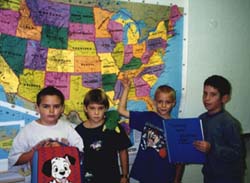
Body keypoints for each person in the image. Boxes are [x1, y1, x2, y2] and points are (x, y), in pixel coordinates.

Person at [8, 86, 84, 182]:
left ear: (62, 108)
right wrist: (37, 152)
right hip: (37, 179)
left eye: (56, 106)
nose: (51, 111)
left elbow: (80, 153)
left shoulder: (68, 129)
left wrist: (61, 148)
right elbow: (14, 160)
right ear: (37, 107)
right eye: (46, 106)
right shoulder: (27, 131)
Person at [118, 76, 184, 183]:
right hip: (145, 172)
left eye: (167, 102)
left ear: (173, 103)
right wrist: (126, 88)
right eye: (160, 101)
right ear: (154, 102)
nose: (163, 105)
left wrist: (176, 180)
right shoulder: (148, 117)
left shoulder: (177, 127)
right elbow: (121, 111)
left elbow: (180, 159)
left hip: (165, 175)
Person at [193, 75, 245, 183]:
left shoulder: (229, 123)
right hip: (209, 174)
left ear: (224, 98)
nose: (207, 98)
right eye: (205, 93)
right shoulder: (201, 119)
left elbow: (237, 153)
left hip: (228, 177)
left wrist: (212, 148)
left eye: (213, 95)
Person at [75, 88, 132, 183]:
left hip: (112, 178)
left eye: (100, 108)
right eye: (92, 108)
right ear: (85, 108)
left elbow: (123, 151)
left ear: (106, 108)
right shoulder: (79, 131)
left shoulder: (113, 127)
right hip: (88, 179)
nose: (96, 113)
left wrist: (125, 175)